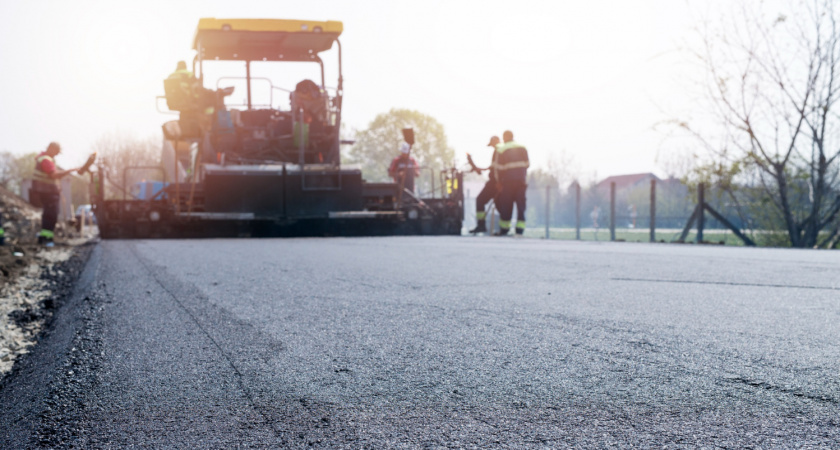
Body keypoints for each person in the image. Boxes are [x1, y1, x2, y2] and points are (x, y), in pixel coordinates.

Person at [31, 142, 78, 246]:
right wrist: (70, 170)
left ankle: (45, 238)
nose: (56, 154)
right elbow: (54, 175)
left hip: (47, 192)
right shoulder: (46, 160)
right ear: (51, 149)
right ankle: (47, 239)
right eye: (56, 152)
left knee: (49, 215)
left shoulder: (43, 158)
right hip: (48, 193)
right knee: (50, 215)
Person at [493, 130, 529, 236]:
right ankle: (520, 230)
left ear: (504, 137)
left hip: (508, 182)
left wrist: (499, 182)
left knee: (506, 205)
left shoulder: (501, 149)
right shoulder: (523, 147)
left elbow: (498, 169)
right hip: (521, 181)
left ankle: (504, 229)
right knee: (521, 205)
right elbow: (527, 164)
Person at [467, 135, 501, 234]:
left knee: (480, 200)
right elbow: (492, 167)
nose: (492, 146)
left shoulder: (498, 151)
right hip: (497, 182)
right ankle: (503, 228)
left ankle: (481, 225)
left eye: (492, 144)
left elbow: (495, 169)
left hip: (494, 182)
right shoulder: (499, 152)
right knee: (499, 205)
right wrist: (480, 169)